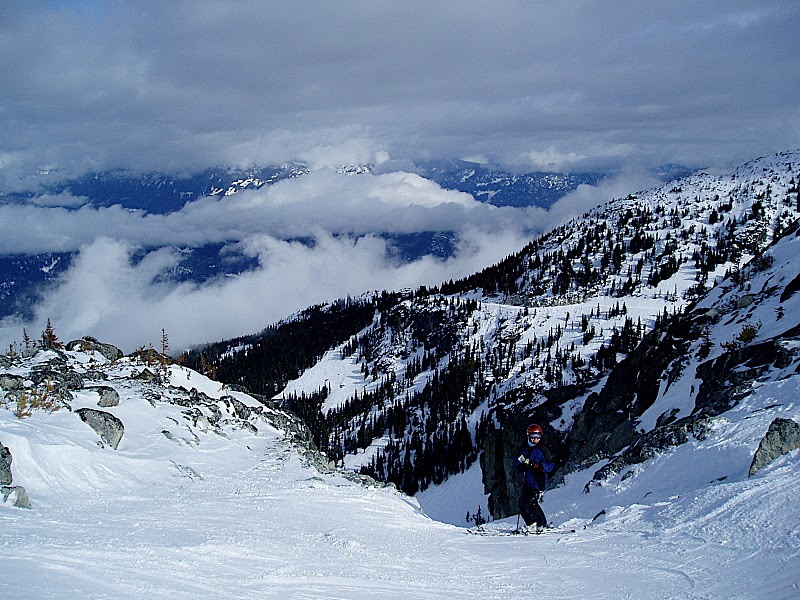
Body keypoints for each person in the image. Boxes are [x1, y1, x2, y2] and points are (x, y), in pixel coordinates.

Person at [515, 423, 554, 532]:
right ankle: (536, 524)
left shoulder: (542, 450)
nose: (535, 440)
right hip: (527, 483)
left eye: (537, 437)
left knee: (532, 504)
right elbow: (517, 461)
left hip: (537, 482)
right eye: (533, 437)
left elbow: (550, 466)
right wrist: (521, 466)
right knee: (524, 506)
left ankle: (538, 524)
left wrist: (539, 466)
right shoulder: (524, 449)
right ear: (528, 436)